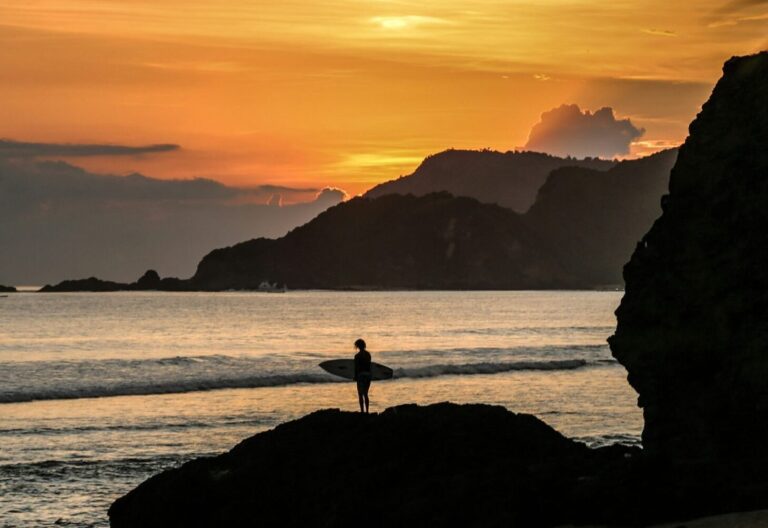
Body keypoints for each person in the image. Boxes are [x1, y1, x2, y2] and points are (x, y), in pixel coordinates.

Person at [353, 338, 372, 413]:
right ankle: (367, 411)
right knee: (366, 394)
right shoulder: (368, 354)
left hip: (361, 375)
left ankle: (362, 411)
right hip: (368, 375)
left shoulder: (357, 356)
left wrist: (355, 376)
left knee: (360, 394)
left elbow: (356, 367)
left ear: (358, 346)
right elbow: (369, 366)